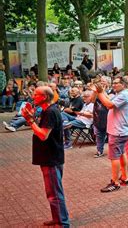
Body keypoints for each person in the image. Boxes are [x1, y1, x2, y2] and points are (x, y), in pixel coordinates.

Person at [22, 86, 70, 226]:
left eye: (36, 94)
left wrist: (30, 121)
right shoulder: (47, 110)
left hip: (51, 158)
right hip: (50, 157)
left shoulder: (50, 112)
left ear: (44, 97)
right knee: (53, 192)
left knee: (54, 193)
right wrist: (32, 118)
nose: (33, 96)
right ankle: (58, 218)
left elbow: (43, 135)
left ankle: (62, 223)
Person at [91, 76, 128, 193]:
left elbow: (108, 104)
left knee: (114, 157)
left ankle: (115, 182)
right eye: (113, 83)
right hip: (120, 131)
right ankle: (124, 177)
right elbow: (109, 99)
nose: (113, 85)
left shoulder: (123, 95)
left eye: (116, 83)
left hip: (117, 131)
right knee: (121, 153)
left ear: (123, 85)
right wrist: (102, 91)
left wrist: (99, 92)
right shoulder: (121, 94)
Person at [92, 76, 110, 158]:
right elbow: (92, 100)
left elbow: (110, 101)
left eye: (103, 81)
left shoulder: (111, 91)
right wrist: (96, 92)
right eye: (100, 81)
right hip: (98, 116)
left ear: (108, 83)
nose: (101, 82)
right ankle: (99, 151)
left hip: (108, 116)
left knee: (111, 135)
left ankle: (113, 151)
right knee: (99, 134)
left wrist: (102, 92)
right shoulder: (96, 91)